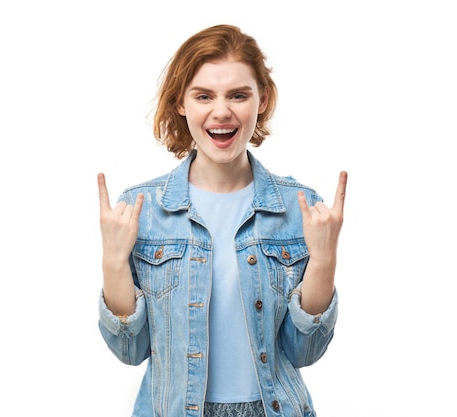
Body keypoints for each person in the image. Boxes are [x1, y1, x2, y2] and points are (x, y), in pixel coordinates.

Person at [97, 24, 347, 417]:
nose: (221, 111)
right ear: (182, 103)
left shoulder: (300, 209)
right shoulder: (141, 209)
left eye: (238, 95)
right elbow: (130, 351)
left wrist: (324, 260)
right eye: (204, 96)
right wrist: (113, 262)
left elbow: (305, 351)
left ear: (262, 100)